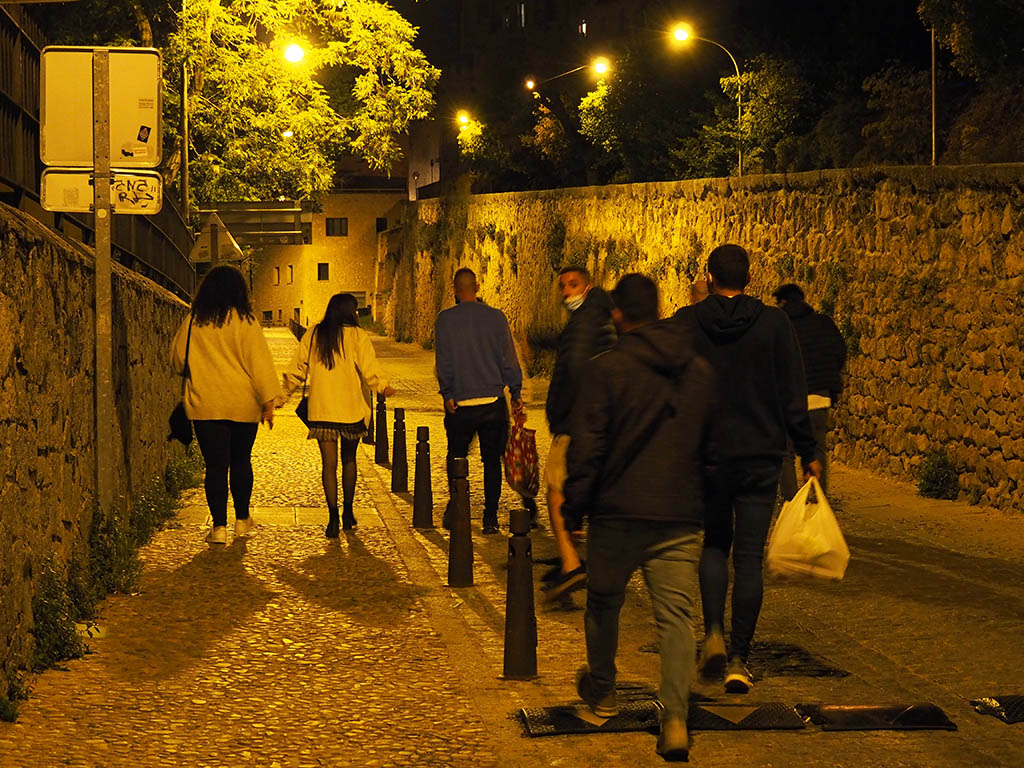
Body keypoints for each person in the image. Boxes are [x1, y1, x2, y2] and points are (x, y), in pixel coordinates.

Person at [562, 274, 716, 762]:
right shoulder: (698, 370)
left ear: (618, 316)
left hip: (618, 511)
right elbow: (713, 448)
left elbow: (589, 447)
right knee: (675, 616)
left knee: (604, 604)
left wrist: (573, 508)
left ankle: (603, 695)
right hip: (679, 513)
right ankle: (674, 719)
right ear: (660, 309)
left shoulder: (606, 371)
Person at [675, 244, 821, 694]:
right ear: (750, 278)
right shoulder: (775, 324)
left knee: (715, 545)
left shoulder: (688, 322)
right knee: (750, 558)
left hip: (709, 456)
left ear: (708, 276)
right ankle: (740, 657)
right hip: (760, 455)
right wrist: (807, 448)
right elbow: (792, 391)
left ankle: (713, 632)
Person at [170, 265, 281, 545]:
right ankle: (242, 520)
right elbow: (260, 363)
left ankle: (218, 528)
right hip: (243, 405)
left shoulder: (194, 320)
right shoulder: (246, 321)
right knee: (241, 461)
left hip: (206, 405)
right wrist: (268, 401)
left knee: (215, 466)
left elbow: (176, 360)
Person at [281, 293, 394, 537]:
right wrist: (382, 386)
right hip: (350, 411)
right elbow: (369, 369)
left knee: (328, 465)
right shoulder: (357, 337)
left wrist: (282, 395)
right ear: (349, 312)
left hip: (322, 411)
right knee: (349, 461)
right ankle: (348, 513)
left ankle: (332, 517)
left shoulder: (314, 334)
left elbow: (297, 368)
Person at [541, 265, 616, 602]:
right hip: (604, 420)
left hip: (576, 422)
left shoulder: (584, 324)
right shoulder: (603, 317)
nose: (566, 292)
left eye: (573, 285)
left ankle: (571, 563)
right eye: (563, 286)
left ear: (587, 287)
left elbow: (573, 371)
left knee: (556, 486)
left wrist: (560, 414)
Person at [435, 268, 524, 535]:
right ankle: (490, 518)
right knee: (492, 461)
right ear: (477, 287)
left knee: (456, 456)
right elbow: (508, 358)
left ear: (455, 289)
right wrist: (516, 392)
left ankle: (459, 507)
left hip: (460, 403)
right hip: (492, 402)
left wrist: (447, 393)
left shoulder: (445, 320)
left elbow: (444, 360)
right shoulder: (496, 318)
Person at [773, 283, 847, 498]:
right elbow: (839, 352)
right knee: (817, 451)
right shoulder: (823, 323)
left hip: (787, 402)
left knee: (785, 454)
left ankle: (791, 501)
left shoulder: (780, 327)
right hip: (818, 398)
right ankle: (818, 499)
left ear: (782, 302)